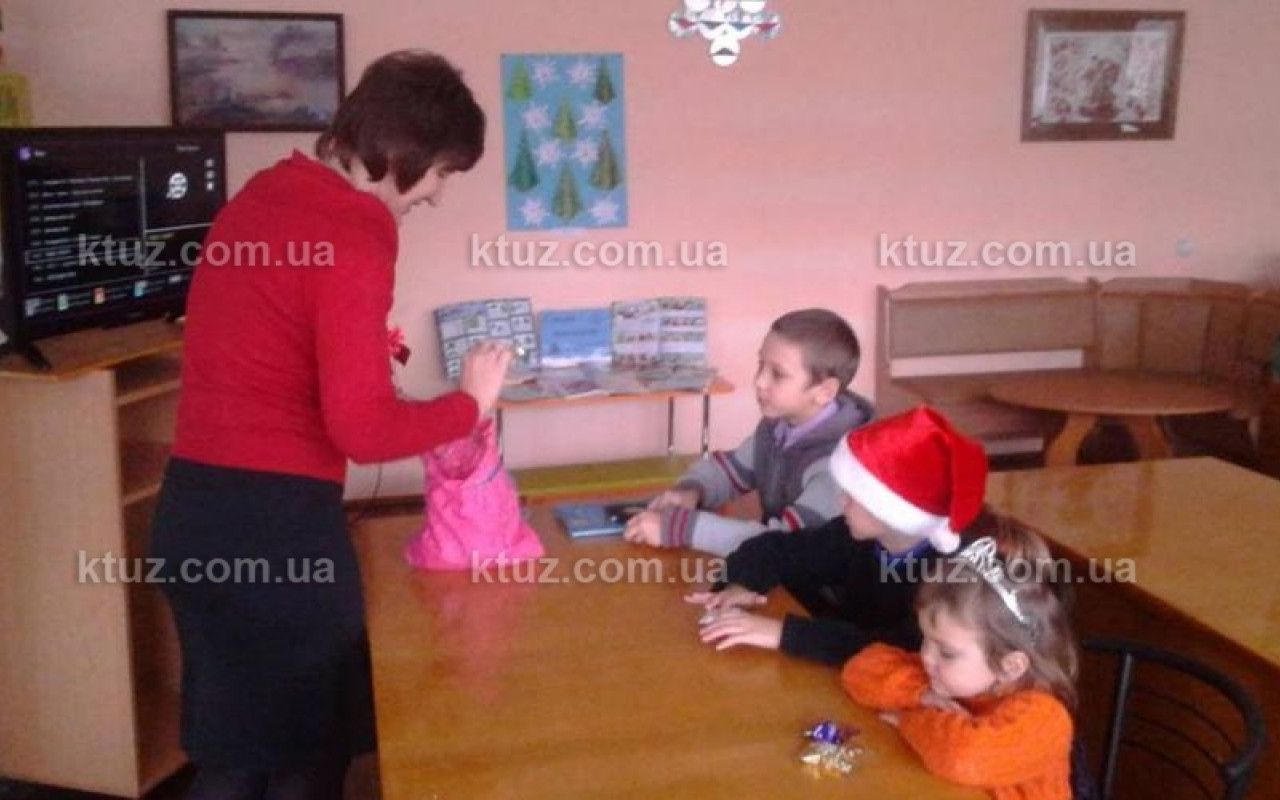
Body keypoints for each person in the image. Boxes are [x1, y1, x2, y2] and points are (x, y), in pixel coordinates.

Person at [150, 51, 510, 800]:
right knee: (308, 759)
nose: (437, 194)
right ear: (404, 152)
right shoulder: (356, 228)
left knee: (235, 757)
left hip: (193, 519)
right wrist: (469, 404)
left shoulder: (266, 192)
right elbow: (364, 432)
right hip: (275, 533)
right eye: (442, 172)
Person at [690, 406, 988, 666]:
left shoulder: (954, 578)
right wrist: (740, 585)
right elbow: (776, 549)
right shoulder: (853, 536)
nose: (840, 501)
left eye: (853, 496)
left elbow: (905, 649)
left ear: (891, 509)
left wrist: (781, 633)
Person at [841, 529, 1078, 800]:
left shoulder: (1044, 719)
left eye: (947, 652)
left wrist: (907, 718)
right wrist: (920, 694)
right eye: (925, 639)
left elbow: (963, 758)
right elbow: (859, 670)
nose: (927, 656)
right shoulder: (946, 679)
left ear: (1010, 666)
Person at [623, 308, 873, 556]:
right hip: (773, 569)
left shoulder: (839, 467)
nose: (759, 381)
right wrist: (692, 491)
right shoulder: (777, 428)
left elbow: (785, 545)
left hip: (818, 578)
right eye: (761, 364)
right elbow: (729, 471)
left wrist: (683, 529)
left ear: (825, 392)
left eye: (778, 374)